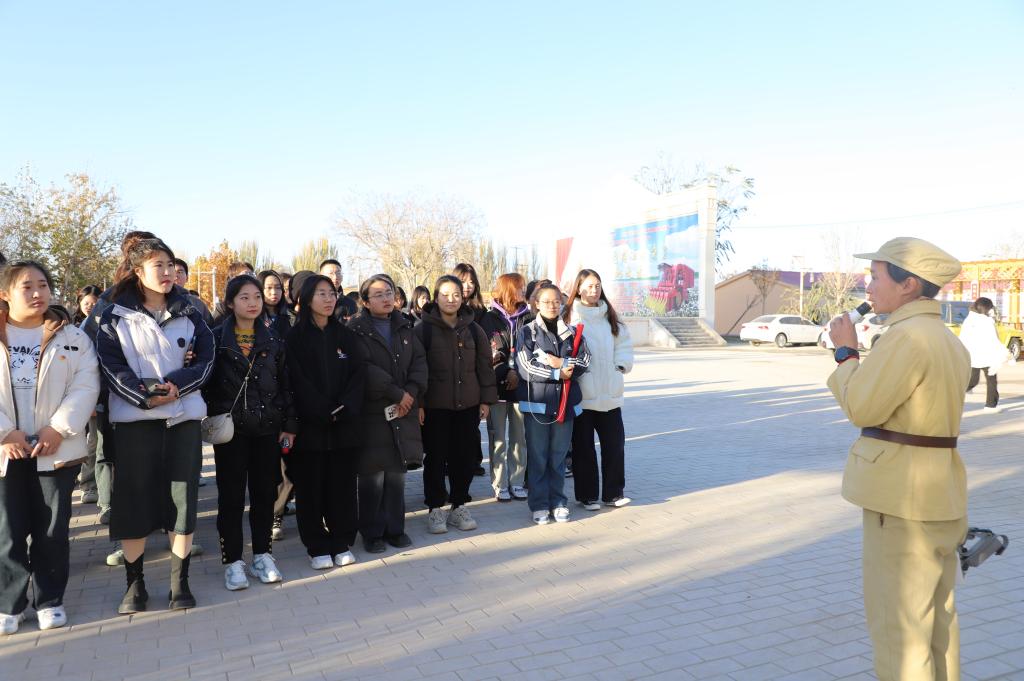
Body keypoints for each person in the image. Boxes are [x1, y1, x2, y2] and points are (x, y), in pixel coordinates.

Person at [826, 237, 969, 681]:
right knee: (938, 625)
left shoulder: (905, 337)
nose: (867, 287)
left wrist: (846, 353)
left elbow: (862, 408)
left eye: (875, 276)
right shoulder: (947, 340)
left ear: (909, 285)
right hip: (940, 495)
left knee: (900, 634)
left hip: (901, 499)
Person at [96, 237, 215, 614]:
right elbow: (110, 366)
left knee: (183, 500)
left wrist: (177, 385)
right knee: (133, 502)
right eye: (157, 265)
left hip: (182, 419)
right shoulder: (113, 315)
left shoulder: (191, 310)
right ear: (137, 271)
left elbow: (207, 359)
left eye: (169, 264)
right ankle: (135, 585)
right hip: (135, 422)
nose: (167, 272)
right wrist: (145, 395)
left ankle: (180, 583)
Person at [0, 261, 100, 634]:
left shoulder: (72, 336)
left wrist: (58, 428)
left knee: (52, 530)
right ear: (5, 294)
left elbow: (86, 385)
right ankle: (9, 603)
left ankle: (50, 600)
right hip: (5, 453)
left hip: (55, 451)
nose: (37, 293)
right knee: (7, 532)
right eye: (27, 286)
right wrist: (5, 433)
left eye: (43, 285)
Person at [205, 275, 296, 589]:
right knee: (231, 498)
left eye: (256, 296)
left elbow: (286, 386)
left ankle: (262, 555)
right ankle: (233, 561)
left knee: (264, 495)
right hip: (231, 432)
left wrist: (289, 425)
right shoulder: (215, 340)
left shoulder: (274, 340)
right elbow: (205, 384)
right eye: (244, 297)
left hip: (267, 428)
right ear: (230, 303)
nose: (253, 303)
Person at [286, 275, 366, 569]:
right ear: (307, 299)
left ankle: (341, 541)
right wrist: (320, 409)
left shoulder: (346, 336)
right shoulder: (294, 338)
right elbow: (295, 380)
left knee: (342, 487)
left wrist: (344, 407)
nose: (329, 299)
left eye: (331, 293)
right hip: (310, 427)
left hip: (344, 425)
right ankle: (317, 545)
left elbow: (358, 375)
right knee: (311, 489)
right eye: (321, 294)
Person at [348, 274, 426, 553]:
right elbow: (364, 368)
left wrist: (411, 393)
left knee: (397, 472)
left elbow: (419, 362)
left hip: (404, 409)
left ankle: (395, 529)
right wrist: (396, 393)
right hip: (373, 411)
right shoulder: (356, 329)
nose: (386, 298)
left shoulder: (405, 325)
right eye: (378, 294)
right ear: (366, 301)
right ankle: (371, 533)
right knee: (372, 475)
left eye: (389, 292)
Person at [415, 275, 497, 534]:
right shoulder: (423, 330)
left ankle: (459, 505)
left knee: (464, 457)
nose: (451, 300)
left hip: (468, 405)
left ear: (463, 297)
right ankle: (435, 508)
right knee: (436, 458)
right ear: (436, 297)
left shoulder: (474, 329)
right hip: (435, 406)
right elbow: (416, 370)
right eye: (445, 294)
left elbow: (484, 367)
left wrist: (486, 400)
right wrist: (419, 404)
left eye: (456, 295)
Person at [515, 283, 590, 525]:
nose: (552, 306)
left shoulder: (572, 331)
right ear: (536, 303)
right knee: (538, 457)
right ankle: (539, 504)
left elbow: (585, 361)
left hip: (565, 404)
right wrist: (557, 372)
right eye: (546, 301)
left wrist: (561, 363)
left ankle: (558, 501)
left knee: (558, 457)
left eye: (556, 301)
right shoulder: (527, 332)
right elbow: (526, 367)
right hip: (538, 404)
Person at [563, 269, 634, 510]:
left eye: (597, 286)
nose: (594, 290)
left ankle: (613, 493)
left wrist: (620, 366)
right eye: (589, 286)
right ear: (579, 288)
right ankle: (587, 495)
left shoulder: (610, 316)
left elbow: (624, 344)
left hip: (610, 393)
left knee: (614, 445)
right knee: (583, 448)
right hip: (583, 394)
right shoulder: (570, 317)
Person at [479, 273, 532, 502]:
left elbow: (533, 351)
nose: (523, 292)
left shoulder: (529, 317)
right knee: (498, 438)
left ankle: (517, 482)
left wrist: (517, 373)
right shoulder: (488, 319)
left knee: (520, 438)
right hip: (496, 389)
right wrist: (504, 371)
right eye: (519, 288)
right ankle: (500, 483)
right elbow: (486, 355)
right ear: (507, 289)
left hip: (521, 387)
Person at [959, 297, 1009, 413]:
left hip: (973, 356)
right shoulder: (987, 321)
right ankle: (990, 406)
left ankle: (953, 394)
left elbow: (963, 338)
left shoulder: (969, 320)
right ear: (987, 308)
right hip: (987, 356)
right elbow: (994, 339)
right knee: (991, 381)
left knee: (973, 381)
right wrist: (1004, 352)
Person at [172, 259, 214, 326]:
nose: (176, 276)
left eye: (180, 272)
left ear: (187, 278)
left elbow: (210, 328)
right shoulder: (158, 300)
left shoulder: (198, 304)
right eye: (173, 272)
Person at [258, 269, 293, 339]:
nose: (274, 292)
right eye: (269, 288)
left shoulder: (290, 316)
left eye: (278, 287)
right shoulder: (253, 317)